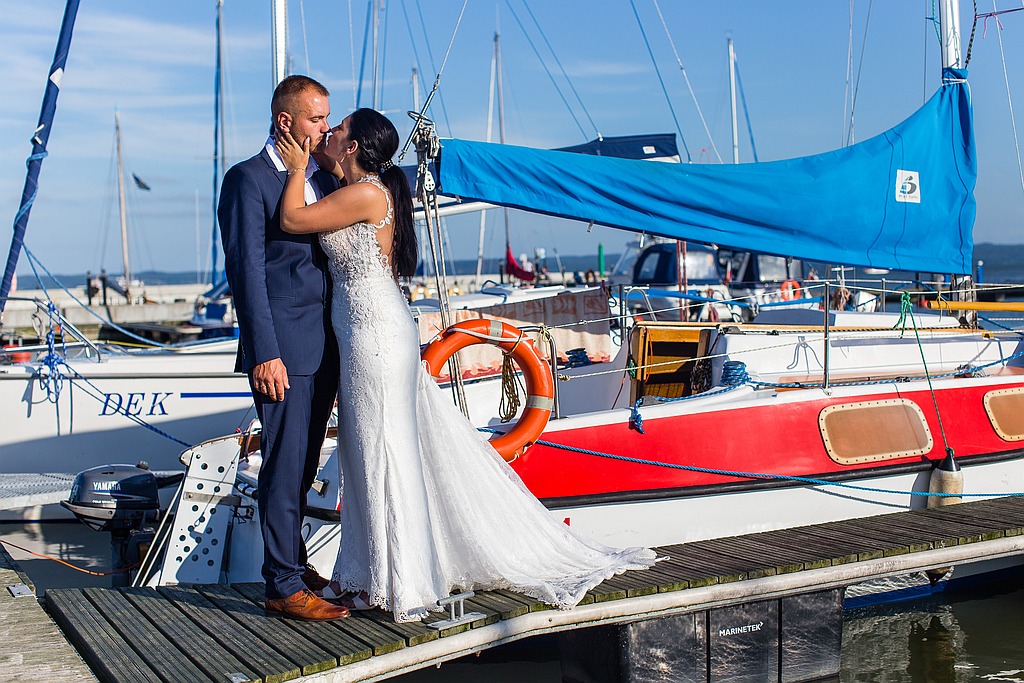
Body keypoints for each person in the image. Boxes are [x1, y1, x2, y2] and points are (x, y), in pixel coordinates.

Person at [275, 108, 656, 623]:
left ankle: (402, 580)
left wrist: (297, 166)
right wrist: (312, 155)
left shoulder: (365, 193)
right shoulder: (358, 187)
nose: (331, 132)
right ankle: (364, 573)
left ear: (355, 146)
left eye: (338, 128)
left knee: (383, 451)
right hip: (361, 329)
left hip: (374, 332)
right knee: (363, 452)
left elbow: (292, 219)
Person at [218, 75, 350, 622]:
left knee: (303, 466)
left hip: (324, 345)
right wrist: (263, 352)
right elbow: (246, 272)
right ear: (285, 121)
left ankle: (292, 562)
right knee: (283, 463)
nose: (325, 127)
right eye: (317, 119)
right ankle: (282, 586)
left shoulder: (321, 175)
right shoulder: (246, 179)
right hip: (282, 351)